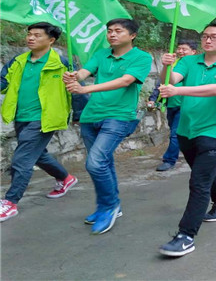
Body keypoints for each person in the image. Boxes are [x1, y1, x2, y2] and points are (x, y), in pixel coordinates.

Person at [157, 23, 216, 257]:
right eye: (205, 36)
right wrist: (165, 67)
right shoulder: (188, 62)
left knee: (198, 181)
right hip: (187, 128)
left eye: (214, 37)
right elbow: (170, 80)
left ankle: (185, 235)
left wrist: (179, 92)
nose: (208, 40)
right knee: (203, 172)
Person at [63, 19, 152, 235]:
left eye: (118, 31)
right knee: (103, 162)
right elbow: (85, 72)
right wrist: (75, 76)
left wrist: (86, 90)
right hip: (91, 115)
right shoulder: (101, 54)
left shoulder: (141, 57)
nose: (112, 34)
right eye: (109, 31)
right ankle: (112, 205)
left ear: (132, 35)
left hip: (119, 116)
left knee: (95, 163)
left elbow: (125, 81)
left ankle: (108, 207)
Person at [0, 22, 82, 222]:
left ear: (51, 40)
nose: (31, 38)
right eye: (29, 34)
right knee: (37, 155)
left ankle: (10, 203)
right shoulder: (17, 61)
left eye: (37, 35)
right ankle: (66, 178)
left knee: (22, 159)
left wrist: (81, 114)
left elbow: (77, 89)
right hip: (21, 116)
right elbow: (3, 82)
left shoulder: (63, 64)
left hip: (45, 118)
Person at [148, 40, 198, 171]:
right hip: (172, 104)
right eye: (179, 48)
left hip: (186, 105)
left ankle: (169, 159)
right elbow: (161, 82)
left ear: (194, 52)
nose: (180, 51)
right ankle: (189, 149)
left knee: (175, 133)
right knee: (176, 131)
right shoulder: (173, 64)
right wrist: (153, 98)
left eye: (184, 49)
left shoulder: (196, 67)